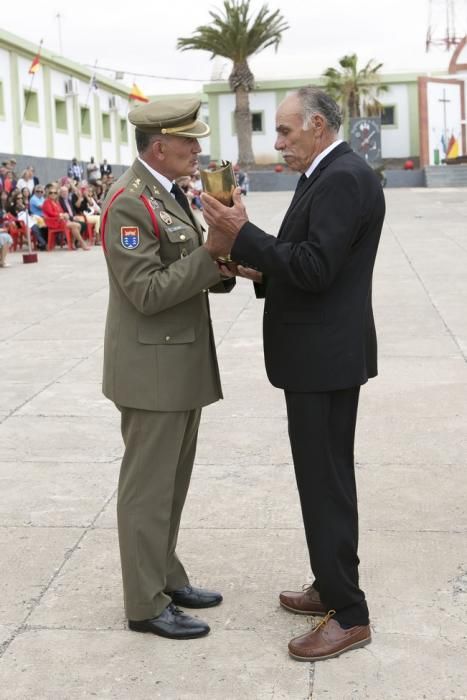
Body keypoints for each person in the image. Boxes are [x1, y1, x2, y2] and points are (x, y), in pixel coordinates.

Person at [201, 86, 385, 662]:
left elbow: (313, 267)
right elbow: (302, 258)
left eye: (284, 132)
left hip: (322, 360)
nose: (276, 143)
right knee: (322, 478)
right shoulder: (326, 175)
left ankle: (349, 614)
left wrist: (240, 231)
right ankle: (331, 586)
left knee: (324, 481)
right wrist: (254, 264)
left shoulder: (344, 178)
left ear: (317, 128)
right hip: (320, 354)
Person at [101, 97, 235, 641]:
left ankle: (165, 576)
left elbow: (190, 266)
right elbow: (146, 293)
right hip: (151, 370)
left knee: (171, 486)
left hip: (176, 365)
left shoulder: (169, 193)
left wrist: (226, 259)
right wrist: (212, 253)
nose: (197, 149)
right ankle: (143, 603)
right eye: (189, 141)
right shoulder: (130, 203)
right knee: (147, 490)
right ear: (160, 145)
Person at [43, 185, 90, 250]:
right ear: (48, 194)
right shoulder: (47, 202)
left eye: (55, 193)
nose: (53, 194)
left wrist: (64, 214)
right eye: (51, 193)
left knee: (78, 225)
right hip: (54, 222)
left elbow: (61, 211)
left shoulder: (56, 202)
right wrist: (61, 215)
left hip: (60, 220)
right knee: (75, 225)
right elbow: (50, 213)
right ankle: (82, 243)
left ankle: (72, 243)